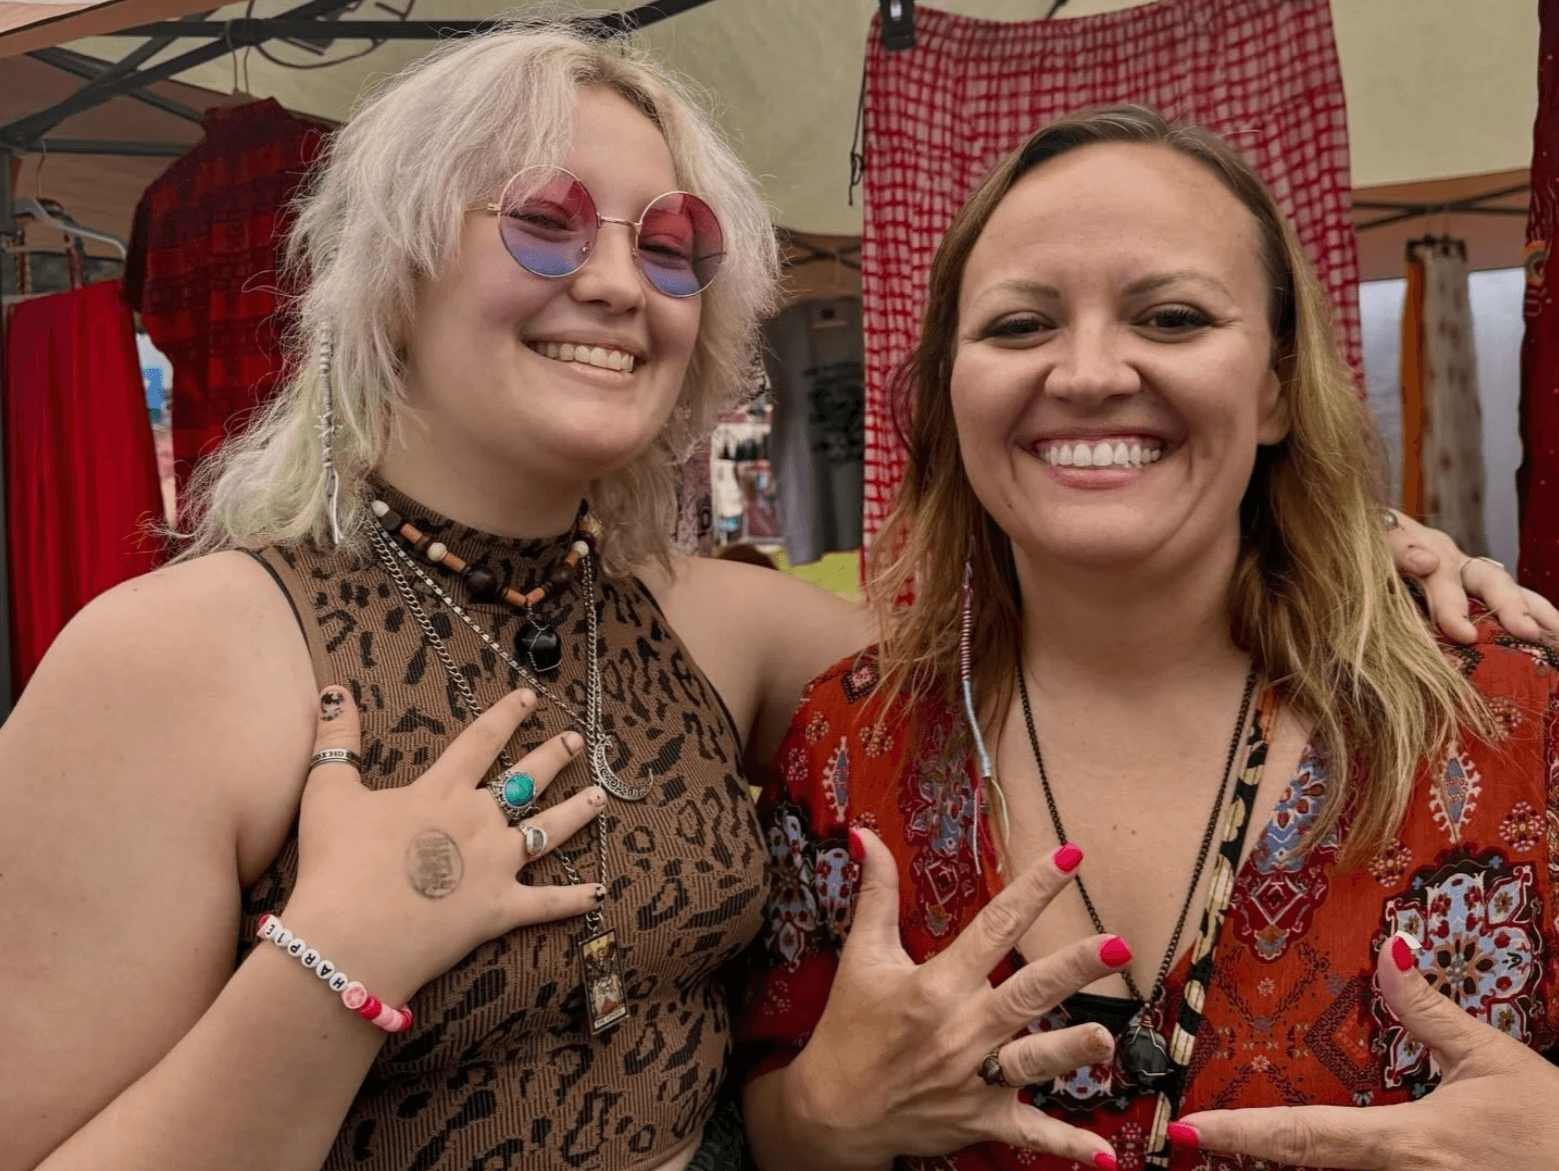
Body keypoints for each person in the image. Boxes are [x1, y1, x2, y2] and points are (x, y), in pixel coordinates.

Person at [0, 21, 1540, 1170]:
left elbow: (1092, 591)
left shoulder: (709, 623)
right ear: (392, 267)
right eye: (543, 221)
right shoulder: (171, 654)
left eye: (671, 249)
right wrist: (337, 955)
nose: (614, 280)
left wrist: (1364, 540)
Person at [738, 106, 1559, 1171]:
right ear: (951, 389)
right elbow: (760, 1106)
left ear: (1272, 386)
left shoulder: (1510, 719)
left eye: (1170, 318)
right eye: (1018, 325)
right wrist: (814, 1119)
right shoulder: (847, 743)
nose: (1084, 373)